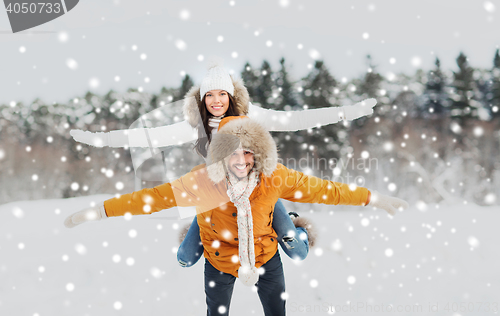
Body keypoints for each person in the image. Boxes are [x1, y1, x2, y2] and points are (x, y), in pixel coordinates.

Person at [64, 115, 409, 316]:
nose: (241, 160)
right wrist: (98, 211)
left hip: (266, 257)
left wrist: (374, 199)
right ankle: (195, 233)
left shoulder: (276, 178)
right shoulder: (202, 182)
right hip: (219, 260)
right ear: (220, 155)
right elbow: (151, 199)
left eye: (248, 152)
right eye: (233, 153)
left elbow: (328, 190)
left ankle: (291, 225)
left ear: (259, 153)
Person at [70, 59, 378, 269]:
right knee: (185, 258)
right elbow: (148, 136)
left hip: (257, 193)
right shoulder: (196, 126)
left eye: (222, 93)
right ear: (202, 99)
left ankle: (287, 222)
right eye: (209, 95)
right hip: (214, 195)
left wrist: (348, 112)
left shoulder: (253, 115)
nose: (216, 100)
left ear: (231, 95)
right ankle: (213, 235)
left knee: (297, 252)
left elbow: (298, 120)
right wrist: (100, 140)